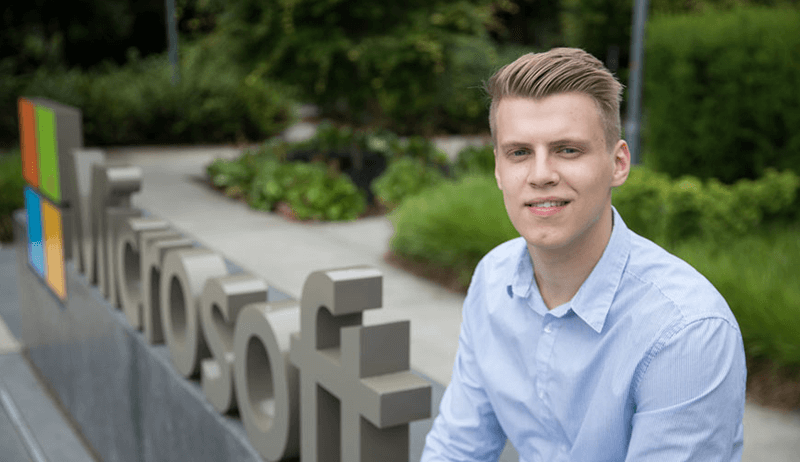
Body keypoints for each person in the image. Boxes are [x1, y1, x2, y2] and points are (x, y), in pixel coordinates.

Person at [421, 48, 746, 461]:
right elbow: (457, 448)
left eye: (567, 150)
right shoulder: (492, 279)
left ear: (618, 163)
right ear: (499, 170)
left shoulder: (686, 332)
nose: (540, 175)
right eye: (519, 152)